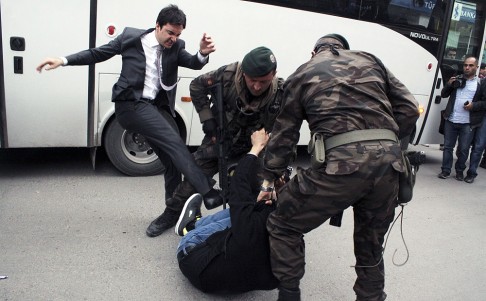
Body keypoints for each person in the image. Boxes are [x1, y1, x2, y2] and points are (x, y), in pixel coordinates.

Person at [257, 34, 419, 301]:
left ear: (314, 52)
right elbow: (410, 109)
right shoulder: (369, 60)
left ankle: (289, 295)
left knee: (283, 224)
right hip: (390, 167)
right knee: (371, 246)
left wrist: (269, 179)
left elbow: (285, 136)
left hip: (340, 169)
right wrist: (383, 144)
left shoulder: (303, 72)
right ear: (346, 50)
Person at [36, 5, 224, 232]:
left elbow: (194, 63)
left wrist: (202, 53)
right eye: (170, 33)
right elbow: (98, 53)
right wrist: (63, 60)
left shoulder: (175, 47)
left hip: (155, 107)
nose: (173, 39)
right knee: (174, 142)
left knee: (172, 160)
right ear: (157, 26)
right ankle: (208, 192)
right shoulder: (131, 38)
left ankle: (171, 213)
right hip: (130, 106)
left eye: (178, 35)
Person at [145, 46, 285, 237]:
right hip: (219, 139)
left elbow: (285, 132)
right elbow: (196, 86)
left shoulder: (280, 92)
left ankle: (254, 226)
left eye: (264, 81)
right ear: (244, 72)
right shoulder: (228, 75)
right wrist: (207, 120)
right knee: (193, 178)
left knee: (260, 191)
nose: (257, 86)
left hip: (254, 149)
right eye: (252, 80)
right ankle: (171, 214)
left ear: (274, 74)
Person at [175, 129, 288, 293]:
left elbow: (238, 184)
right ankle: (195, 225)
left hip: (195, 265)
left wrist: (256, 148)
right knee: (243, 214)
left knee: (235, 215)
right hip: (240, 284)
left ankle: (190, 227)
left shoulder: (251, 223)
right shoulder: (294, 236)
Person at [438, 56, 484, 181]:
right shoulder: (457, 79)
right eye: (465, 65)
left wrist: (473, 105)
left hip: (468, 123)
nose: (467, 68)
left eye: (470, 65)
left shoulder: (481, 83)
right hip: (451, 119)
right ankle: (445, 170)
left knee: (463, 150)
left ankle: (459, 171)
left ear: (476, 67)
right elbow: (443, 94)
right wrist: (448, 84)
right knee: (447, 147)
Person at [462, 79, 486, 183]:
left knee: (479, 146)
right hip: (477, 115)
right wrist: (473, 106)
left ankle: (471, 173)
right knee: (465, 144)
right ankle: (460, 169)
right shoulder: (484, 82)